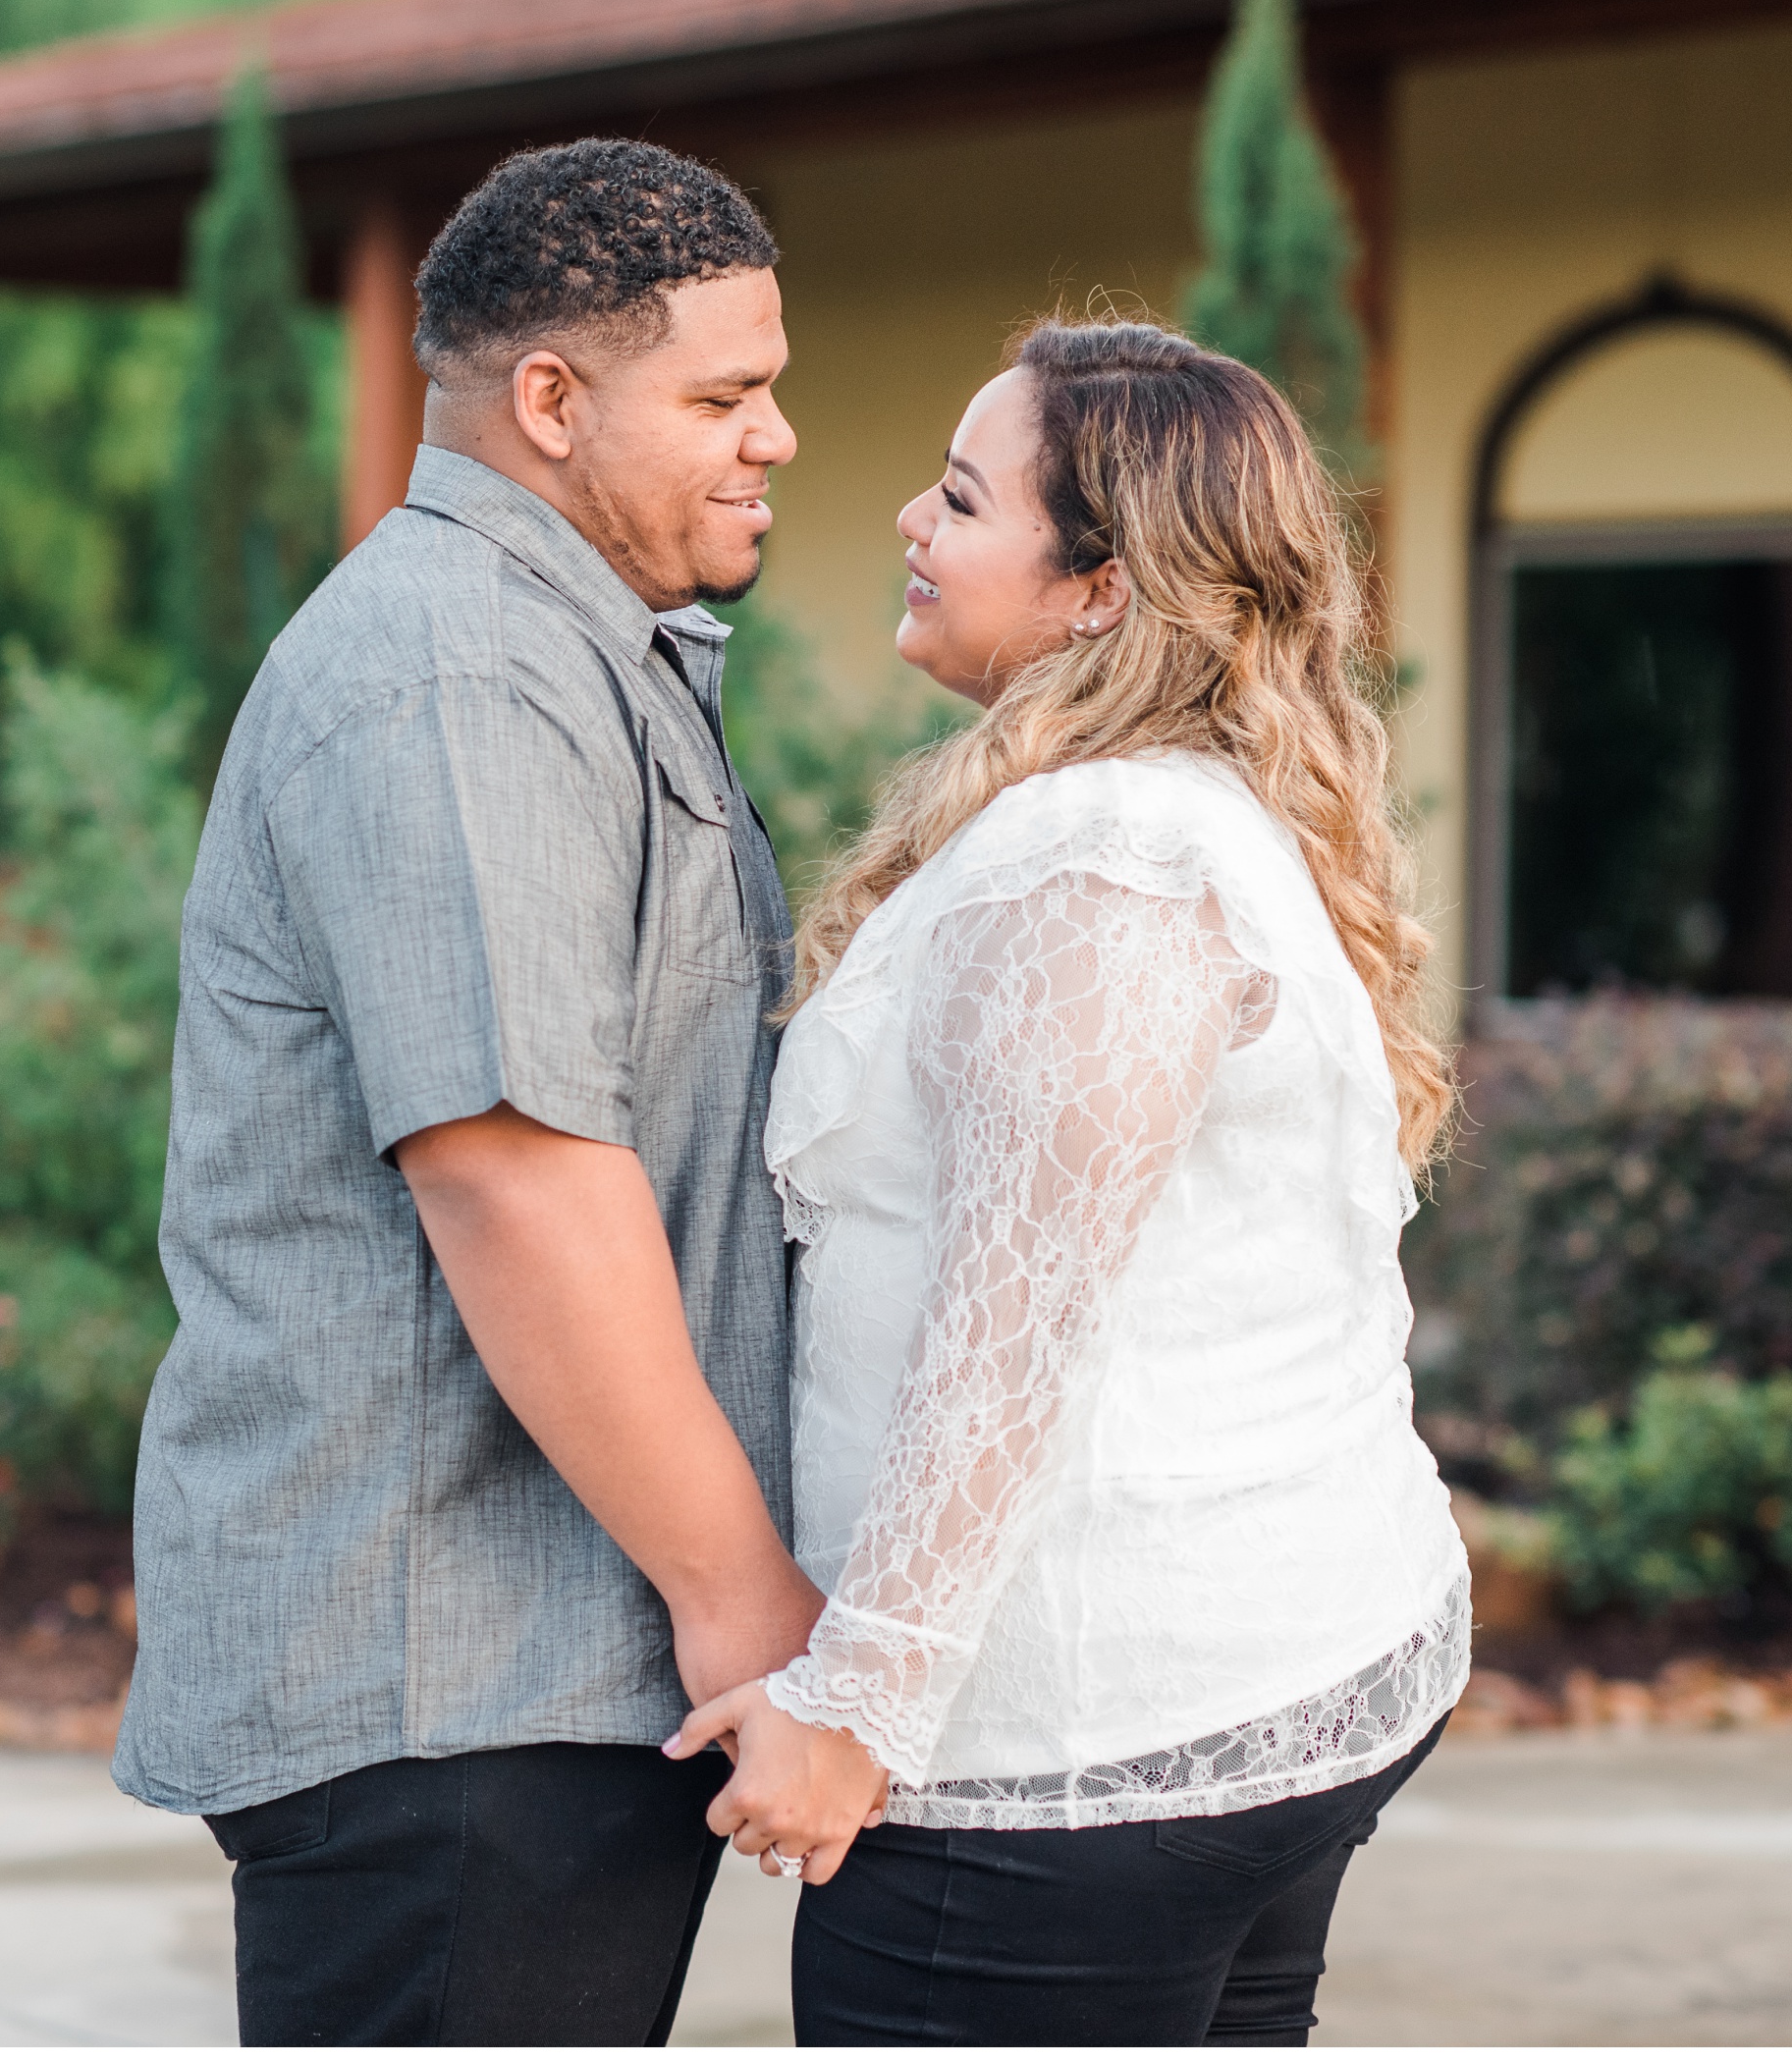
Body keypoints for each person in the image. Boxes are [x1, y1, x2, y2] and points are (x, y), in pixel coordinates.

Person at [668, 318, 1471, 2045]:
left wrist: (857, 1705)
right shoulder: (1162, 818)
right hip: (1250, 1689)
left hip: (1081, 1749)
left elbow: (1016, 1321)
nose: (907, 517)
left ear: (1104, 590)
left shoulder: (1106, 860)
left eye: (962, 497)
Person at [114, 138, 829, 2045]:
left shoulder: (565, 650)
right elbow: (513, 1176)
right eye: (722, 396)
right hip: (458, 1686)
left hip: (527, 1685)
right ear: (548, 401)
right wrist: (745, 1597)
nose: (774, 438)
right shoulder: (458, 674)